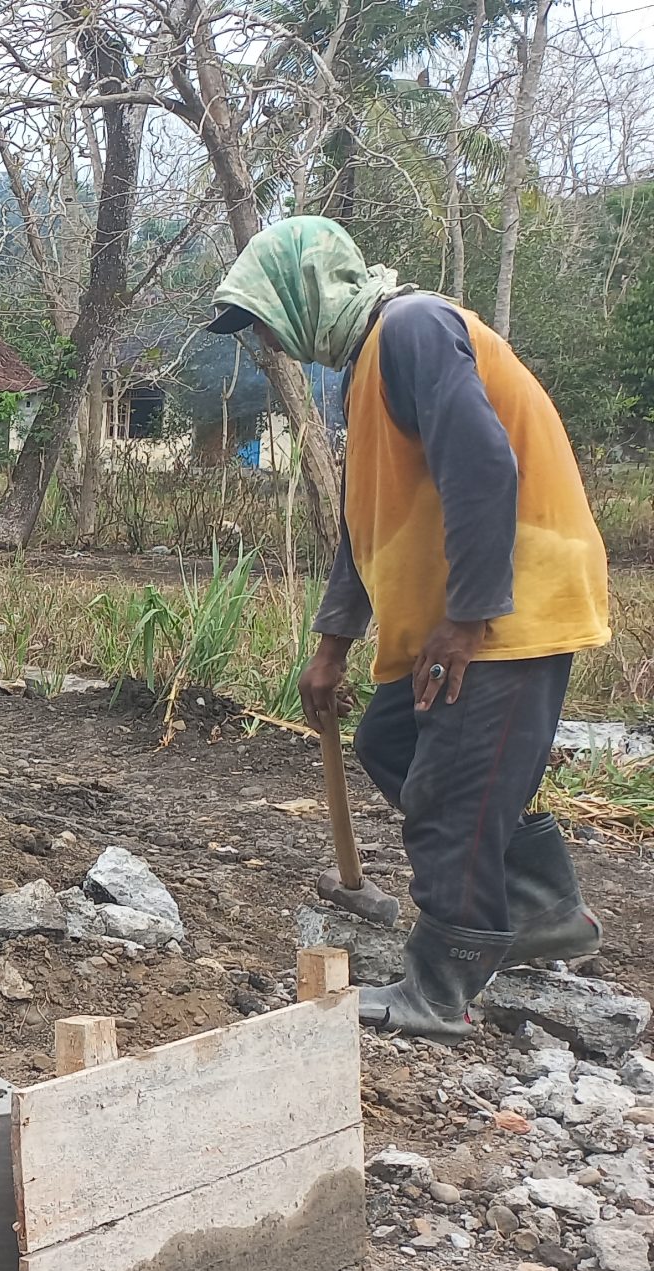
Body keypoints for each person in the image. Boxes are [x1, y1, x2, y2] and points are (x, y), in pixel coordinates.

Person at [218, 216, 613, 1041]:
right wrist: (331, 648)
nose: (268, 341)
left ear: (306, 289)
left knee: (451, 788)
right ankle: (542, 905)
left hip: (512, 609)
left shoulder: (412, 328)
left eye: (263, 318)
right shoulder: (369, 367)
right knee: (391, 743)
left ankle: (442, 983)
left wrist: (467, 620)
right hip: (465, 613)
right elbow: (369, 527)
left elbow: (483, 464)